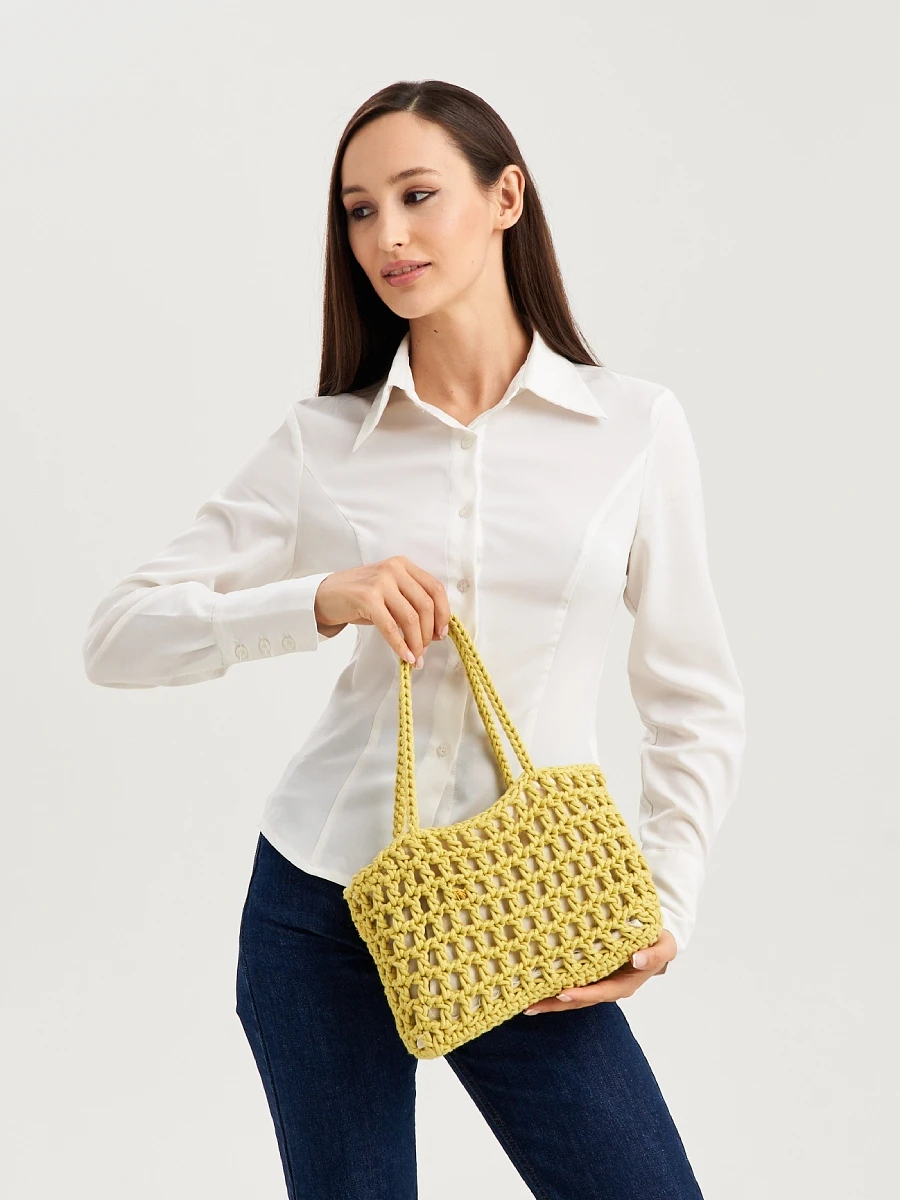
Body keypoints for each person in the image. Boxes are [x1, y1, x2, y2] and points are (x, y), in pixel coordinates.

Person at [82, 79, 745, 1199]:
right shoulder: (325, 440)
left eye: (417, 195)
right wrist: (317, 600)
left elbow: (693, 695)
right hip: (320, 908)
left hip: (531, 905)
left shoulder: (632, 428)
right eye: (359, 210)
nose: (386, 234)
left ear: (505, 197)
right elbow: (117, 636)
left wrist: (667, 901)